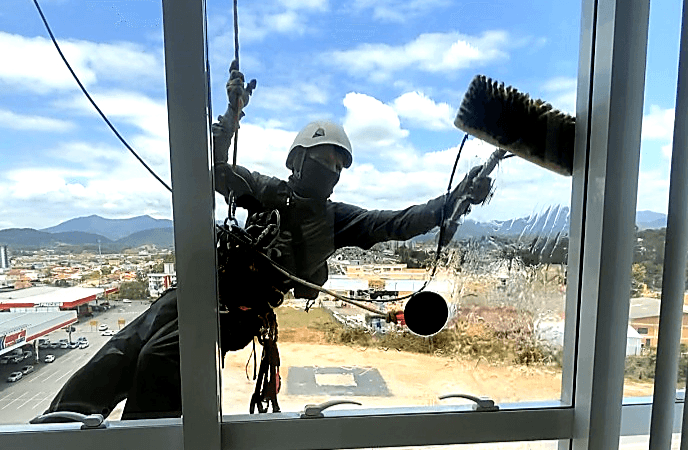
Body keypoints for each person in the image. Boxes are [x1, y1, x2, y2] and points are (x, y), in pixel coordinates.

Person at [42, 61, 492, 421]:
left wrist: (452, 201)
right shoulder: (267, 191)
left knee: (159, 360)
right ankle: (62, 425)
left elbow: (396, 221)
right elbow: (213, 172)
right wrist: (231, 116)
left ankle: (146, 440)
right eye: (325, 160)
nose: (332, 170)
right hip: (199, 293)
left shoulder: (336, 219)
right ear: (298, 160)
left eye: (339, 165)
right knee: (120, 350)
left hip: (235, 313)